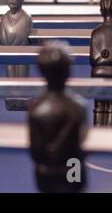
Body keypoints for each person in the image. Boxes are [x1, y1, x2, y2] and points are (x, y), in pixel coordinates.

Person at [29, 41, 87, 192]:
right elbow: (81, 143)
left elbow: (36, 152)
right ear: (68, 71)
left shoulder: (36, 109)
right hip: (73, 167)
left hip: (45, 173)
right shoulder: (78, 107)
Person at [0, 0, 33, 110]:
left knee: (21, 78)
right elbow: (2, 33)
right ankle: (11, 102)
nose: (11, 0)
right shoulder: (4, 17)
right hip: (8, 52)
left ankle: (22, 102)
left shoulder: (26, 17)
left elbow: (22, 36)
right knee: (10, 78)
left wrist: (11, 46)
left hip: (22, 53)